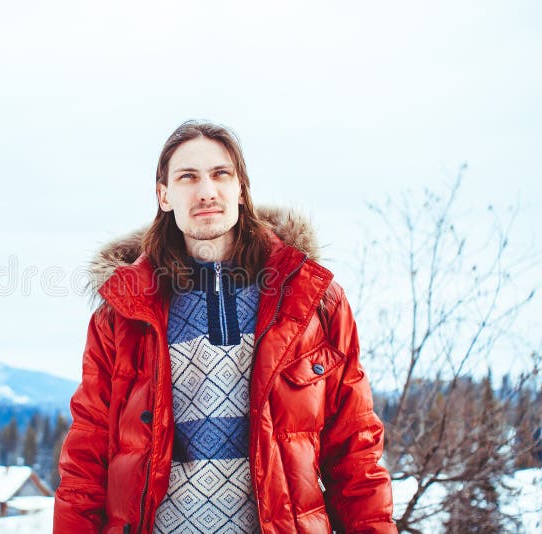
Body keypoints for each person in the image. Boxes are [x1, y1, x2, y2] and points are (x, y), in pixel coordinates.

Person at [54, 121, 396, 533]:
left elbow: (355, 451)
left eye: (220, 174)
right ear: (164, 195)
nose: (206, 192)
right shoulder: (123, 314)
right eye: (187, 177)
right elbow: (86, 462)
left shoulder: (311, 300)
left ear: (241, 189)